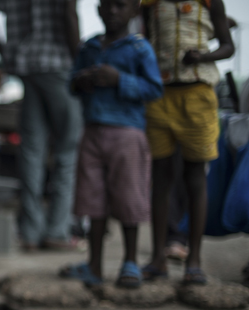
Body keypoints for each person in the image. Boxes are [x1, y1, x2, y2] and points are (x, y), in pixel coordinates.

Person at [59, 0, 163, 288]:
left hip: (128, 134)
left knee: (129, 198)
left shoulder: (140, 49)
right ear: (99, 10)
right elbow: (71, 83)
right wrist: (82, 82)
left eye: (121, 6)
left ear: (133, 11)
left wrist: (120, 80)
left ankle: (130, 262)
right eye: (108, 5)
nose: (113, 11)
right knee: (93, 202)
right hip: (92, 131)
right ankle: (94, 265)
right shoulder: (90, 47)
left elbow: (154, 89)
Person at [141, 0, 234, 285]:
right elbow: (146, 42)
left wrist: (204, 57)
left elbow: (229, 46)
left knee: (195, 177)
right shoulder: (150, 4)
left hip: (198, 95)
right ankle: (158, 258)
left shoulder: (210, 2)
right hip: (159, 96)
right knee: (161, 177)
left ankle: (194, 261)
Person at [0, 0, 83, 251]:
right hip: (58, 64)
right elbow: (69, 13)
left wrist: (6, 53)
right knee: (67, 151)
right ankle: (57, 232)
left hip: (26, 66)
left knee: (31, 152)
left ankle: (30, 232)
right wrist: (81, 59)